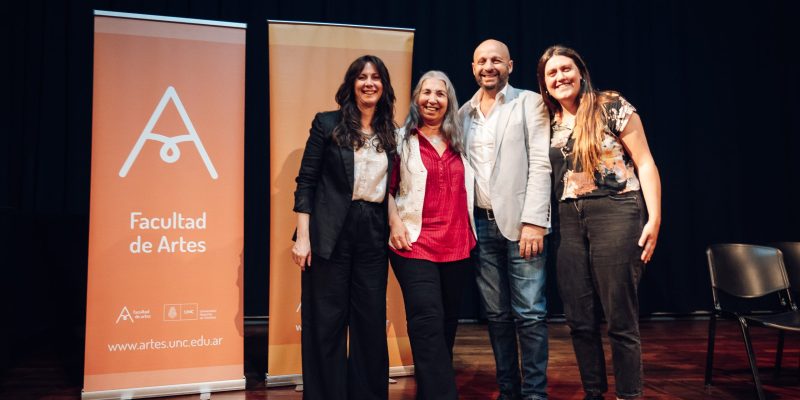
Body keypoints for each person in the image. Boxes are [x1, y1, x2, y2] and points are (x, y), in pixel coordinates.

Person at [536, 45, 661, 400]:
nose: (560, 77)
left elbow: (646, 163)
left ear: (581, 72)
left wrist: (655, 218)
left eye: (565, 69)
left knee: (619, 316)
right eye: (552, 73)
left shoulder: (611, 105)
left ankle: (629, 395)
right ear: (544, 83)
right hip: (569, 219)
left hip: (616, 210)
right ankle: (594, 393)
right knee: (578, 318)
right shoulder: (548, 120)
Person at [292, 55, 397, 400]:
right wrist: (303, 238)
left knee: (369, 321)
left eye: (376, 77)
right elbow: (306, 182)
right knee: (326, 321)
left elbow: (393, 188)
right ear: (351, 83)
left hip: (372, 230)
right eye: (362, 77)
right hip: (330, 230)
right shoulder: (327, 124)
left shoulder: (390, 133)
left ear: (384, 85)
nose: (369, 83)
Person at [459, 39, 552, 400]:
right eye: (481, 60)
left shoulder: (529, 102)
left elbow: (541, 164)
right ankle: (508, 391)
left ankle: (535, 394)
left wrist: (534, 221)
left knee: (529, 314)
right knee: (496, 316)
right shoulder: (463, 113)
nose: (488, 66)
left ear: (510, 65)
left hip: (521, 225)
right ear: (473, 67)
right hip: (478, 225)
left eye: (496, 60)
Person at [387, 70, 475, 399]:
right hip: (414, 242)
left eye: (440, 93)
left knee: (445, 325)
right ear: (416, 98)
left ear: (449, 102)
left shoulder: (462, 142)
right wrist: (394, 222)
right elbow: (386, 189)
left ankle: (430, 391)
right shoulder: (400, 139)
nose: (432, 99)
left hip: (458, 244)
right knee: (426, 319)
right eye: (426, 92)